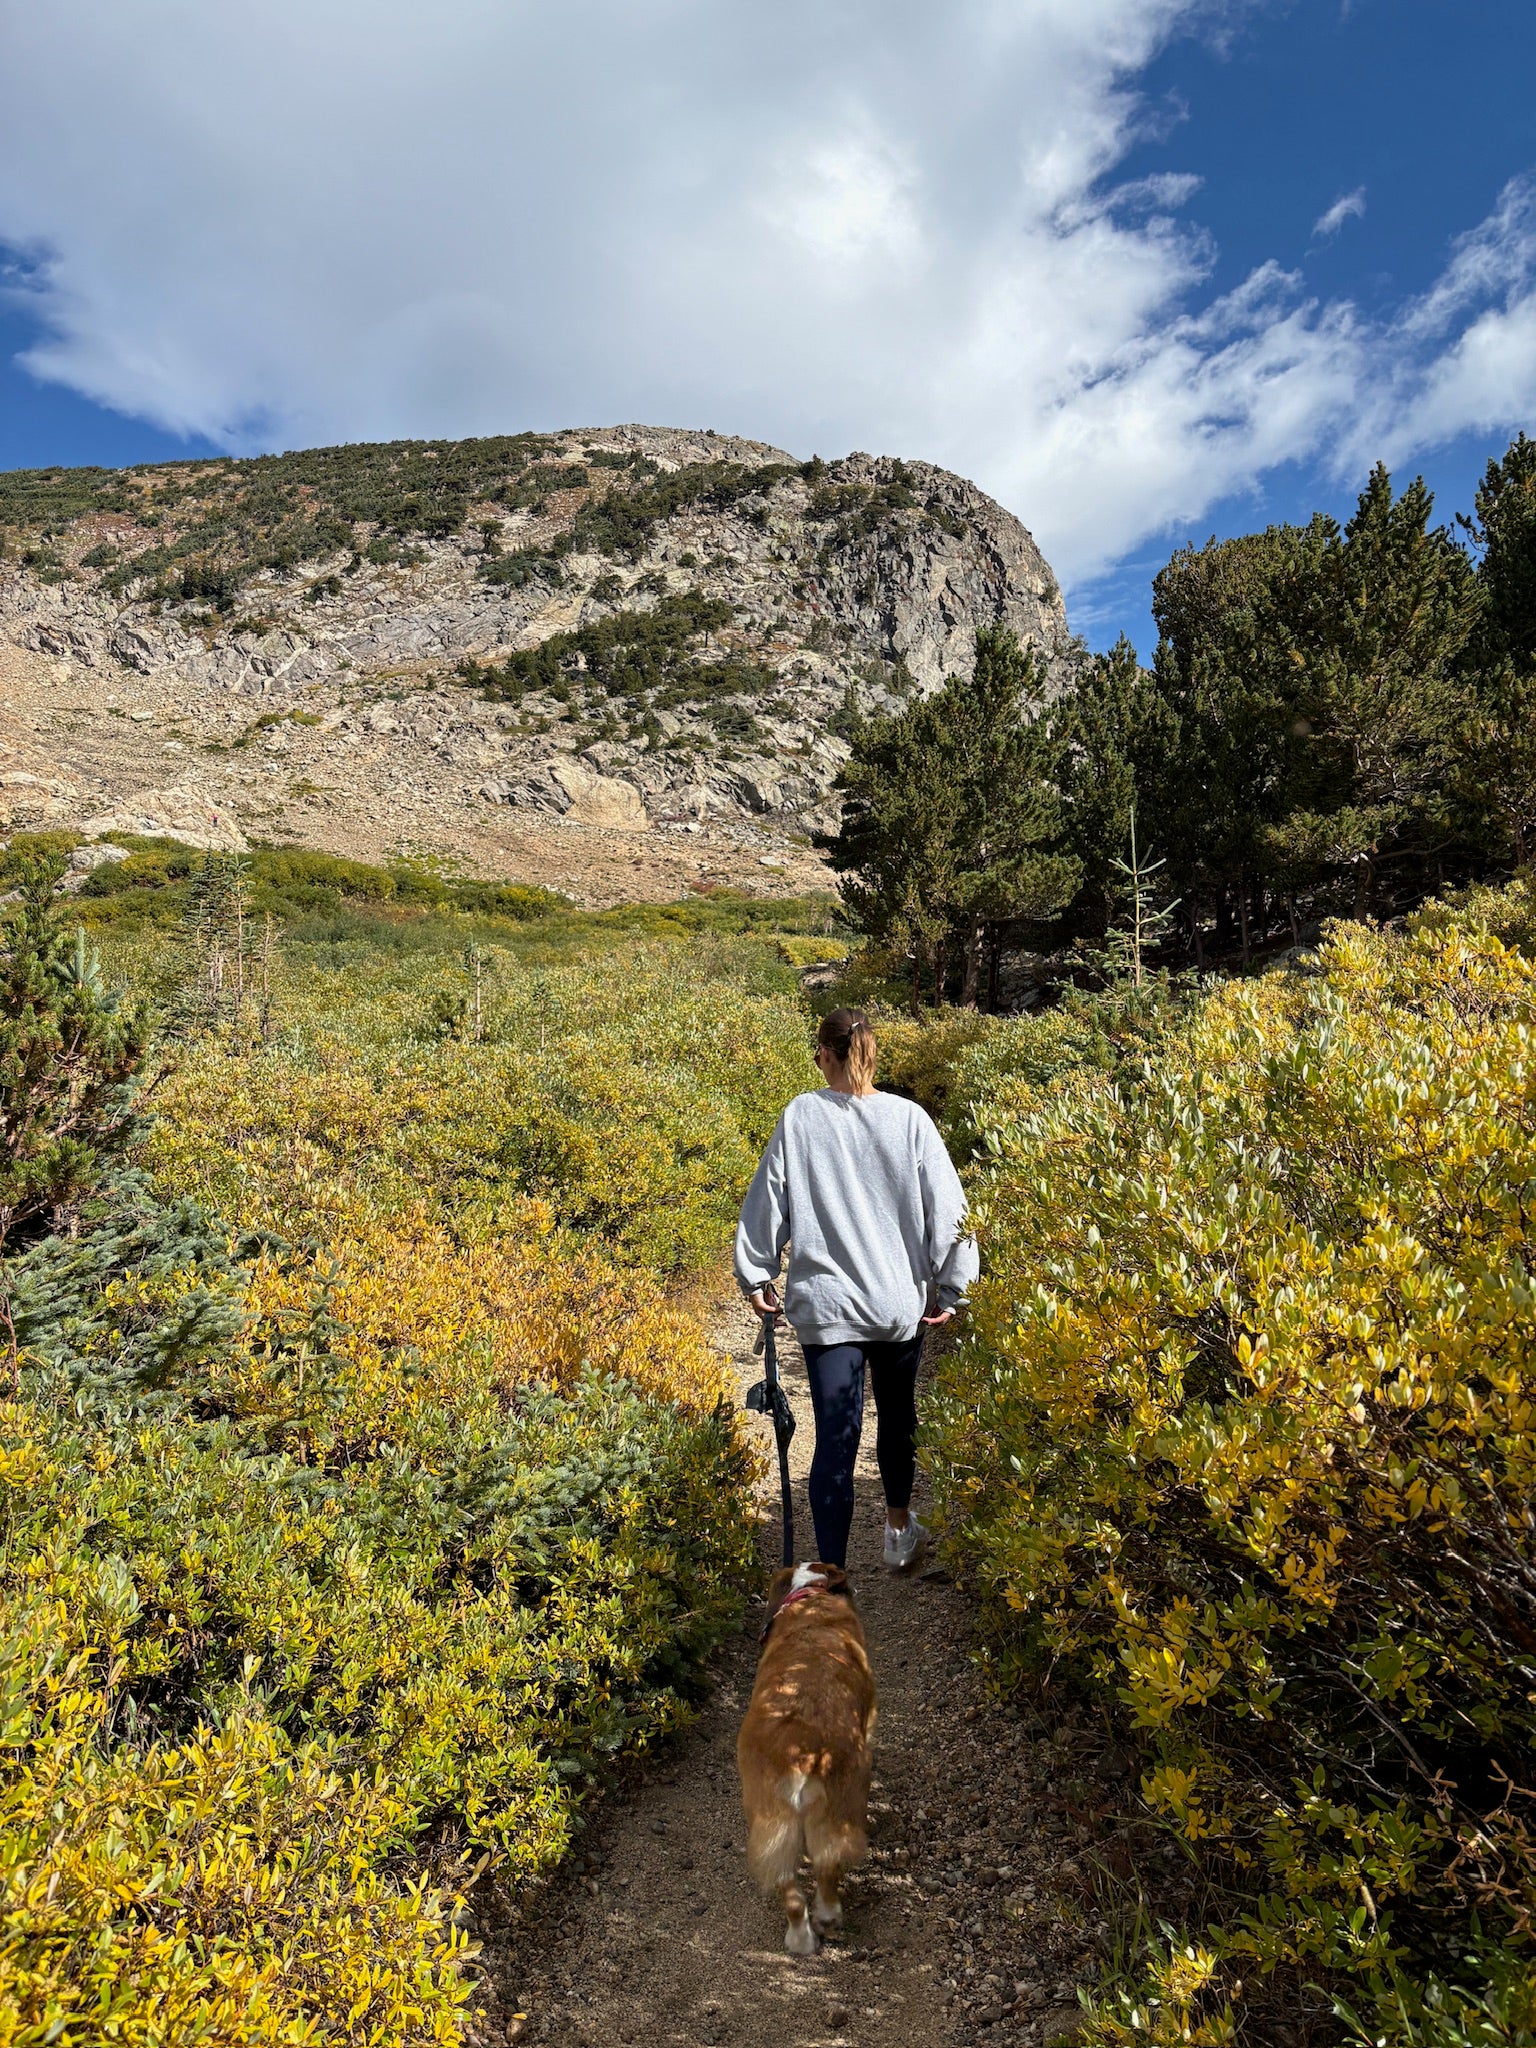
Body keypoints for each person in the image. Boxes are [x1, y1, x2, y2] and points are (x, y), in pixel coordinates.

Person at [734, 1006, 978, 1572]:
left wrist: (756, 1273)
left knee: (833, 1440)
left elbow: (769, 1200)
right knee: (897, 1416)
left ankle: (830, 1574)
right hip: (897, 1303)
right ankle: (897, 1531)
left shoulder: (801, 1117)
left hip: (827, 1308)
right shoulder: (910, 1118)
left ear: (824, 1054)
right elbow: (950, 1210)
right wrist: (953, 1285)